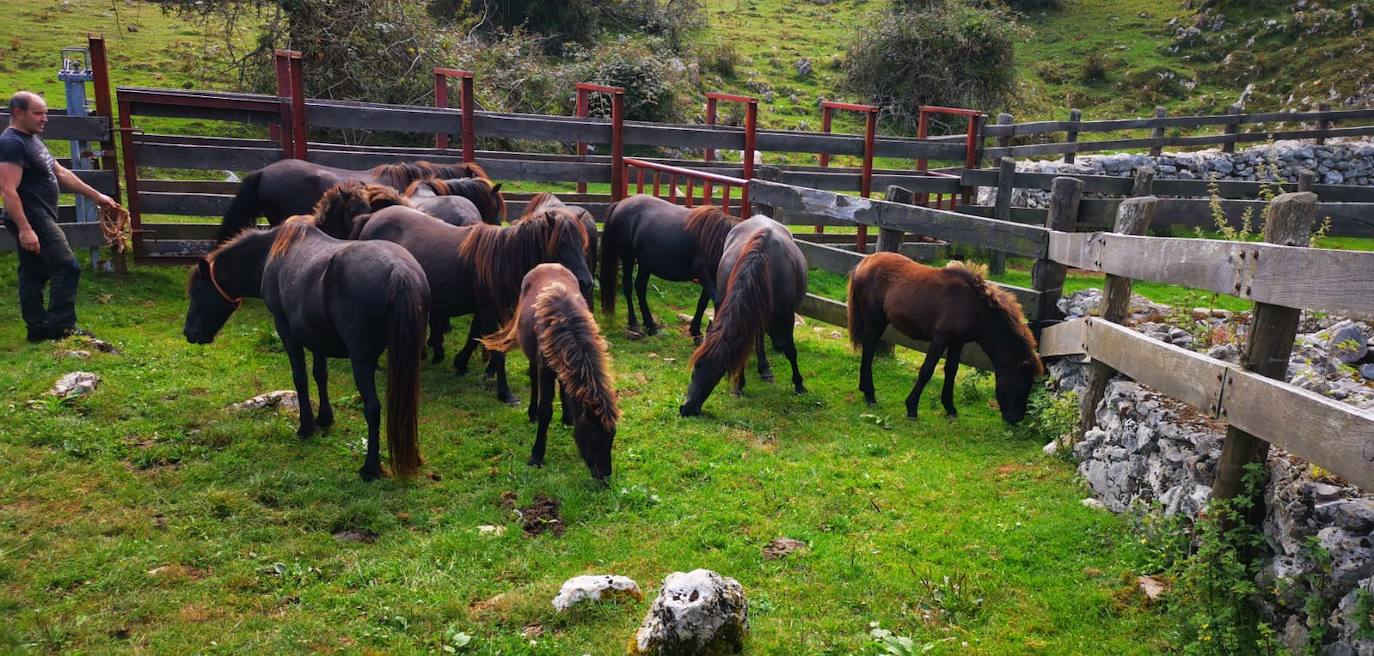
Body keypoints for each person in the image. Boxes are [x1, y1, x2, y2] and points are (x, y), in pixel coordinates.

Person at [1, 91, 119, 342]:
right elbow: (7, 189)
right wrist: (25, 228)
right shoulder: (13, 143)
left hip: (39, 215)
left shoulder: (32, 139)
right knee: (67, 266)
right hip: (33, 217)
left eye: (45, 113)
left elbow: (61, 173)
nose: (44, 118)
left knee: (33, 272)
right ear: (18, 113)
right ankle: (62, 326)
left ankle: (37, 329)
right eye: (38, 113)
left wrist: (96, 196)